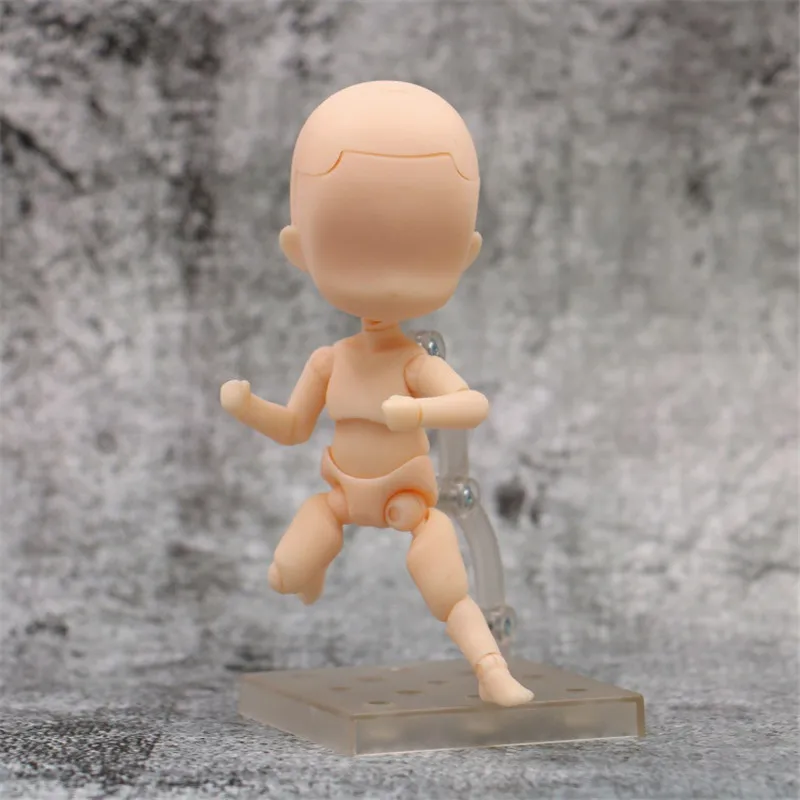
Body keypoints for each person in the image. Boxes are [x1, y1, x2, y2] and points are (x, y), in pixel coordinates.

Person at [221, 81, 532, 706]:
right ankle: (311, 573)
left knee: (448, 591)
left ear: (464, 253)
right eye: (354, 248)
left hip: (407, 504)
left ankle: (491, 670)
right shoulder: (330, 360)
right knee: (284, 574)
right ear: (299, 249)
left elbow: (471, 405)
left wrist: (417, 409)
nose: (389, 280)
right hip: (339, 498)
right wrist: (248, 407)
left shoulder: (415, 363)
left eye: (423, 253)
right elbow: (294, 428)